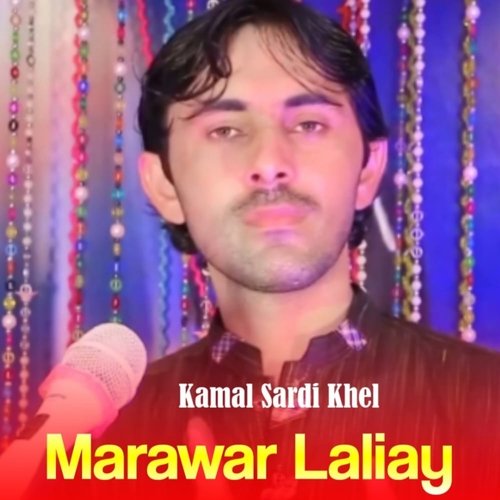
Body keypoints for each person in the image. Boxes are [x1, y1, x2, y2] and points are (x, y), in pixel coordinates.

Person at [31, 0, 500, 499]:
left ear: (368, 168)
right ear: (164, 183)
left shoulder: (485, 405)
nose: (270, 162)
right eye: (225, 130)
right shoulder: (100, 449)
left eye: (308, 124)